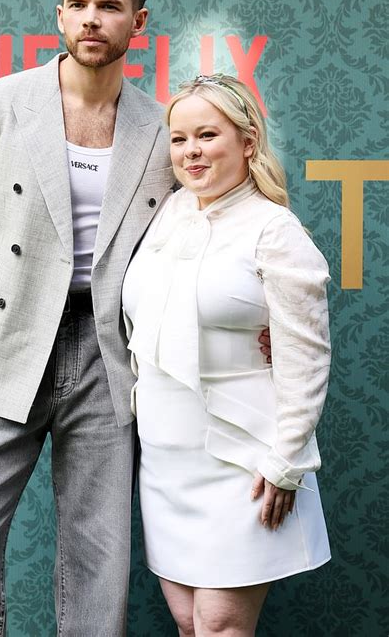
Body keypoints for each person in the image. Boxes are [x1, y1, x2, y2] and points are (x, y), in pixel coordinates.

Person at [0, 0, 175, 636]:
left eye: (109, 6)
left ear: (139, 22)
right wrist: (16, 289)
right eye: (78, 5)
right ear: (59, 16)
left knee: (99, 551)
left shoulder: (161, 129)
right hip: (9, 338)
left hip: (108, 349)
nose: (92, 18)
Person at [121, 74, 332, 636]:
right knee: (190, 623)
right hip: (166, 458)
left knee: (220, 626)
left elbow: (306, 359)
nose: (191, 151)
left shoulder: (274, 230)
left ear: (246, 141)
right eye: (179, 138)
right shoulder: (164, 215)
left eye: (207, 135)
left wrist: (286, 461)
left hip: (244, 458)